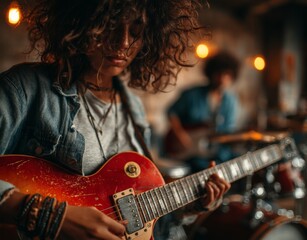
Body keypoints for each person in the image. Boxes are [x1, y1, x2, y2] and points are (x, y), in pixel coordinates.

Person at [0, 0, 230, 240]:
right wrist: (50, 216)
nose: (123, 43)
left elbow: (136, 215)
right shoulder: (24, 88)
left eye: (137, 30)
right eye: (109, 25)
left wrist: (193, 205)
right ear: (79, 23)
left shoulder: (135, 110)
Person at [166, 51, 240, 172]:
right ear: (211, 73)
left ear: (232, 77)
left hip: (215, 152)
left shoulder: (230, 102)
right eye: (218, 73)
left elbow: (228, 132)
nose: (222, 79)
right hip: (190, 154)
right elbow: (171, 112)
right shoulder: (191, 94)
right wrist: (180, 134)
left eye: (226, 74)